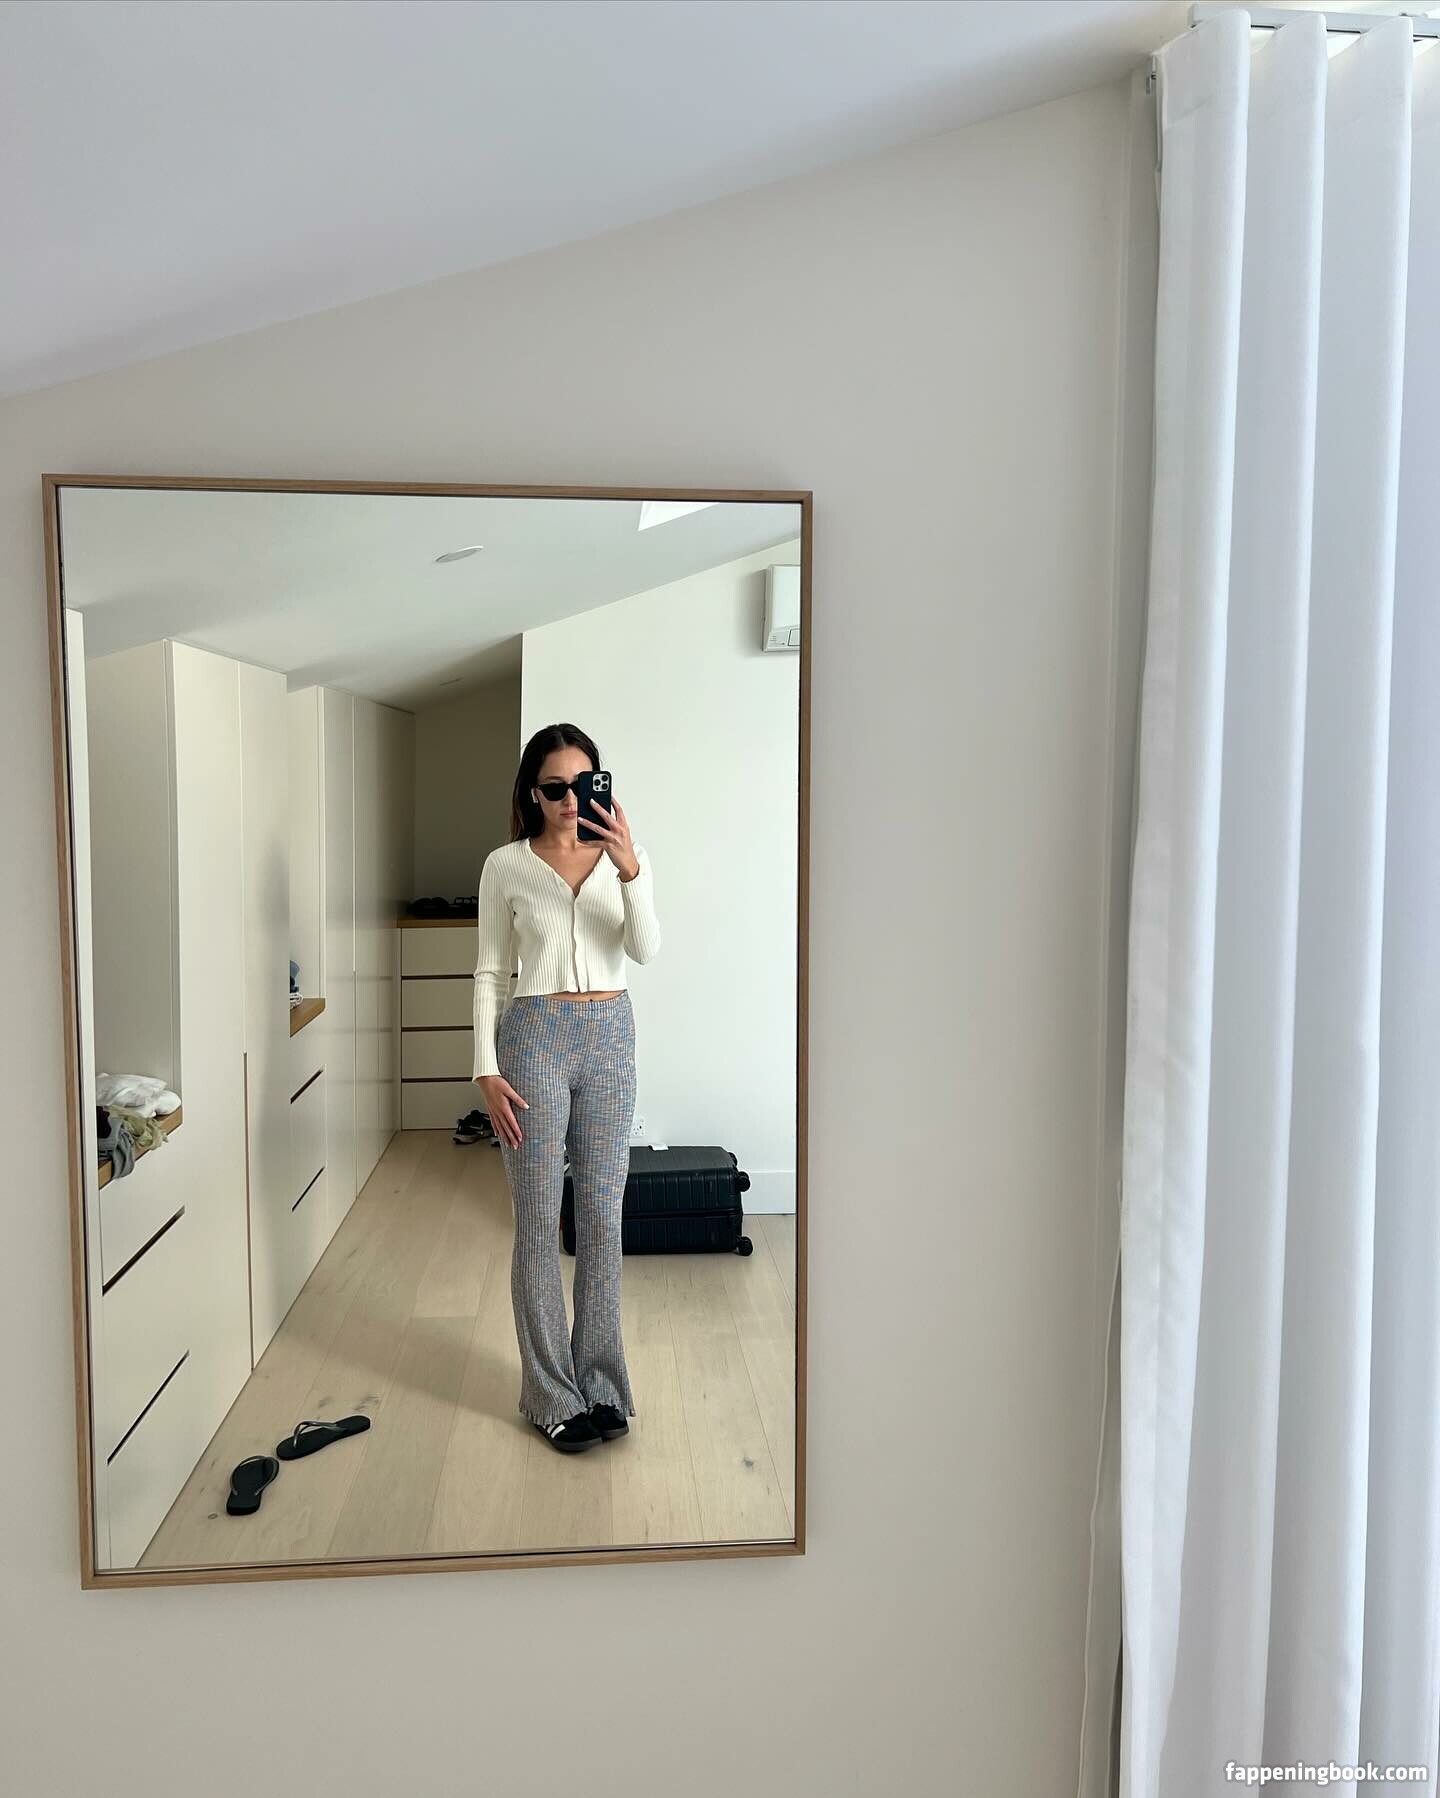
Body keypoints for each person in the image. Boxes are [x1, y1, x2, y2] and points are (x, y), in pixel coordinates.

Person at [472, 723, 661, 1453]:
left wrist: (629, 868)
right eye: (554, 788)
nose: (569, 800)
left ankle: (603, 1385)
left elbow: (645, 949)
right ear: (532, 792)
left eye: (582, 784)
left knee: (604, 1217)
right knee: (537, 1217)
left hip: (611, 1036)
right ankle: (550, 1394)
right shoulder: (505, 866)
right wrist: (484, 1067)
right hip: (534, 1039)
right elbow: (491, 971)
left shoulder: (626, 860)